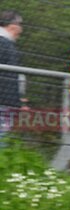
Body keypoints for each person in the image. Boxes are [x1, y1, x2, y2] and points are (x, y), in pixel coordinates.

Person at [0, 10, 26, 144]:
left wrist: (19, 100)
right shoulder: (4, 44)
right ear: (13, 25)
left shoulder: (7, 45)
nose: (21, 30)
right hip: (3, 103)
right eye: (20, 26)